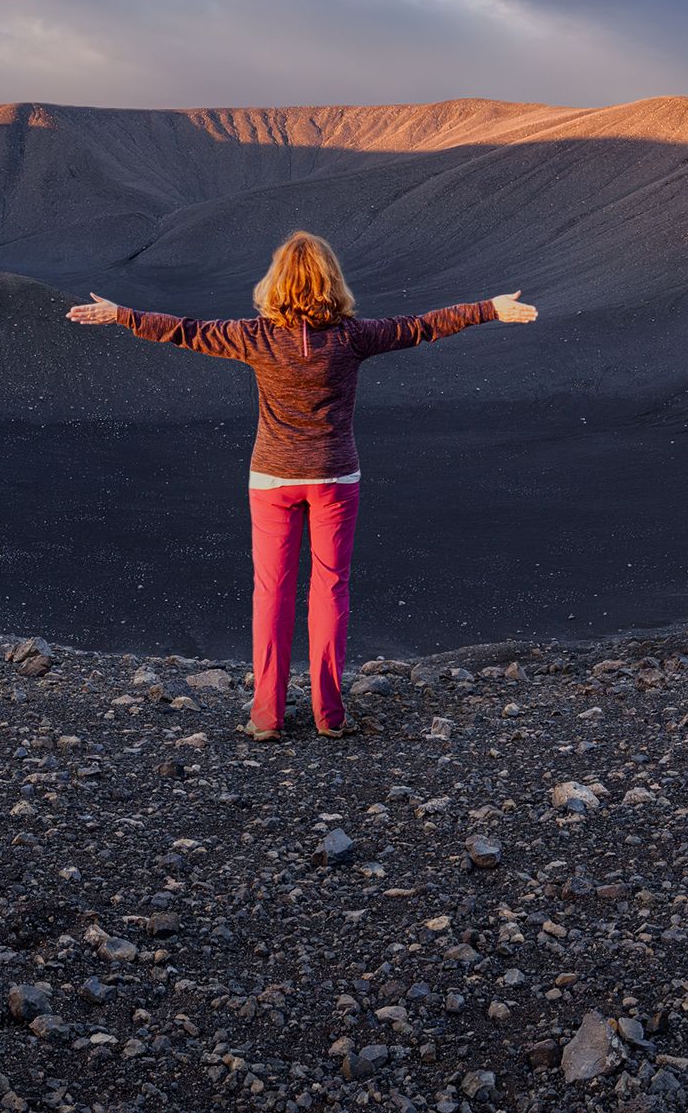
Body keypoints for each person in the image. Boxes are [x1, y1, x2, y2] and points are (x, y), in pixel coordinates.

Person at [66, 231, 538, 740]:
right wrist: (489, 308)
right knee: (330, 588)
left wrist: (122, 315)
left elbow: (186, 330)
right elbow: (421, 326)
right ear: (332, 281)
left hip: (271, 479)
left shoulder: (255, 336)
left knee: (271, 592)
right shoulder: (353, 336)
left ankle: (266, 716)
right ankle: (329, 715)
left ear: (274, 284)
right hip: (336, 477)